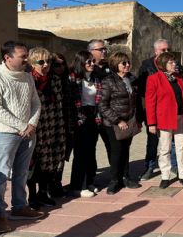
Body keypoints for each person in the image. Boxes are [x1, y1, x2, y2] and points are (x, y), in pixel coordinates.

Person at [0, 41, 44, 233]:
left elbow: (36, 103)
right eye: (22, 56)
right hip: (5, 133)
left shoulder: (27, 78)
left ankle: (19, 206)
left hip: (28, 132)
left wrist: (32, 124)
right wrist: (21, 126)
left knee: (22, 172)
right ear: (7, 58)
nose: (27, 59)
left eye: (27, 55)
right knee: (2, 173)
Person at [26, 47, 67, 210]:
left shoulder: (54, 80)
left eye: (48, 61)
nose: (45, 65)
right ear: (31, 63)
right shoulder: (28, 80)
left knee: (49, 163)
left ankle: (43, 193)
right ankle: (32, 196)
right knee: (33, 164)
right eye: (41, 62)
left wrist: (60, 127)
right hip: (35, 127)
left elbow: (59, 104)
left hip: (53, 126)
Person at [145, 51, 183, 189]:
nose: (174, 64)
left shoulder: (179, 78)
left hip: (180, 117)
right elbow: (150, 102)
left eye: (174, 62)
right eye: (171, 62)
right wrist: (151, 123)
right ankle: (165, 176)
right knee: (165, 148)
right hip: (164, 118)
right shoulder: (154, 79)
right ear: (163, 65)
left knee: (182, 146)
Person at [99, 51, 144, 195]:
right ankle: (114, 180)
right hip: (114, 123)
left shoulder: (132, 79)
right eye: (123, 63)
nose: (127, 65)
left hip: (130, 120)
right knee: (116, 151)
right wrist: (118, 121)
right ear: (115, 64)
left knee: (125, 150)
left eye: (128, 62)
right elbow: (103, 105)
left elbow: (137, 101)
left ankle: (126, 177)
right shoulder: (108, 81)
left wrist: (138, 119)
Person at [68, 50, 103, 197]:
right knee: (80, 153)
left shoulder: (95, 77)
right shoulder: (73, 77)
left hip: (93, 117)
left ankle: (89, 182)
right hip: (79, 118)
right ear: (81, 62)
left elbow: (98, 99)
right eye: (88, 61)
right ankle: (77, 186)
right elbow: (71, 101)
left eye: (93, 61)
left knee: (91, 151)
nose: (92, 64)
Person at [138, 38, 171, 180]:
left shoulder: (173, 64)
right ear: (156, 51)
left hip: (170, 110)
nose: (167, 52)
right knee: (152, 140)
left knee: (172, 140)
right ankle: (149, 167)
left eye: (168, 49)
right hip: (152, 110)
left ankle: (174, 167)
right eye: (164, 50)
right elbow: (141, 90)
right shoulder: (146, 66)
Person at [49, 52, 73, 198]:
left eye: (63, 64)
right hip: (52, 124)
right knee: (50, 158)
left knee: (62, 156)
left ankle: (57, 184)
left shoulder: (67, 80)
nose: (61, 67)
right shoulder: (49, 82)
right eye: (56, 65)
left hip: (65, 124)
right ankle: (49, 187)